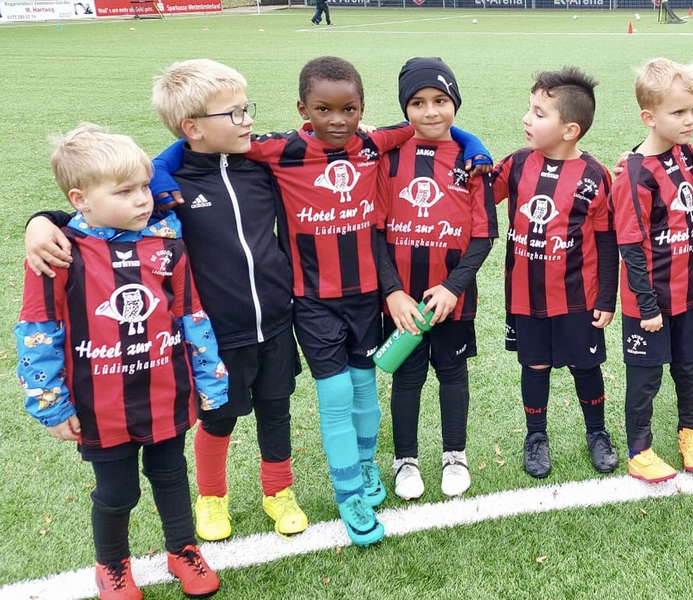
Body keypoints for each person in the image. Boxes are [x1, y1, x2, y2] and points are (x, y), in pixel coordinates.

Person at [145, 56, 490, 546]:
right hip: (311, 304)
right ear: (303, 109)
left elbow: (433, 126)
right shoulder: (277, 151)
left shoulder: (372, 141)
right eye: (323, 110)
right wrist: (159, 170)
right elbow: (186, 149)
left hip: (368, 299)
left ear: (362, 108)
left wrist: (475, 145)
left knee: (365, 393)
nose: (337, 120)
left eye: (349, 109)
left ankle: (367, 469)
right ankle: (348, 492)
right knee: (334, 400)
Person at [25, 59, 308, 542]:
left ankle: (278, 491)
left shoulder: (262, 168)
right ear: (192, 128)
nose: (248, 121)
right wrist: (41, 220)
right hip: (215, 336)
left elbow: (315, 141)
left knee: (276, 412)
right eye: (235, 114)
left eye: (247, 110)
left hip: (277, 323)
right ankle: (212, 497)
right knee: (217, 419)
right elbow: (99, 216)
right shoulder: (164, 189)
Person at [16, 124, 227, 600]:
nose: (142, 200)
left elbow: (189, 313)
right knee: (117, 493)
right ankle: (111, 565)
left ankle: (183, 549)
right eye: (125, 192)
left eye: (144, 187)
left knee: (171, 476)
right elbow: (38, 331)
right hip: (100, 404)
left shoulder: (166, 245)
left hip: (164, 392)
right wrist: (50, 403)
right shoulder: (59, 252)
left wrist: (210, 377)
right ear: (80, 198)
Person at [487, 67, 619, 479]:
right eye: (529, 109)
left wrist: (606, 297)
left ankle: (596, 432)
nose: (527, 119)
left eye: (539, 113)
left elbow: (607, 241)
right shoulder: (516, 165)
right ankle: (536, 435)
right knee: (535, 366)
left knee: (586, 367)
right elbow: (475, 195)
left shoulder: (595, 176)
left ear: (570, 130)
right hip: (526, 296)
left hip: (578, 298)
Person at [376, 57, 498, 500]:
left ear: (455, 102)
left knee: (452, 373)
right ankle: (405, 460)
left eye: (440, 100)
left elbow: (484, 236)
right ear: (404, 109)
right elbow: (374, 231)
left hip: (453, 301)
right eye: (418, 102)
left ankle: (454, 455)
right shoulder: (387, 159)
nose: (430, 112)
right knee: (406, 378)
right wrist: (391, 292)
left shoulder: (473, 163)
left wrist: (453, 286)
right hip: (403, 302)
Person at [612, 58, 693, 484]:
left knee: (689, 369)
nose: (689, 121)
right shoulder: (635, 173)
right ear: (649, 117)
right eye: (678, 112)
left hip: (688, 295)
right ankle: (640, 451)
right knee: (646, 378)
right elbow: (631, 246)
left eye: (692, 110)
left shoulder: (684, 154)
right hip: (648, 303)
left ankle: (690, 432)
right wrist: (647, 305)